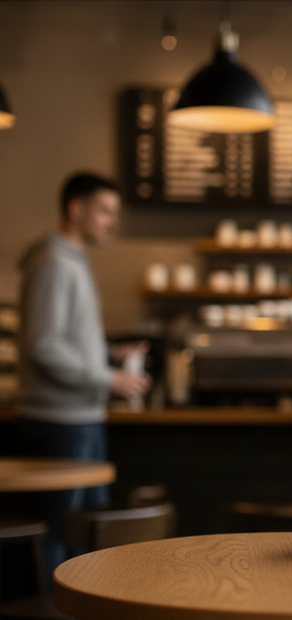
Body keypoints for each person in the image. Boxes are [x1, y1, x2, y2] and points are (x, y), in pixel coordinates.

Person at [17, 172, 151, 579]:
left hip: (80, 420)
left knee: (88, 539)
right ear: (76, 210)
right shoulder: (55, 263)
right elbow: (43, 346)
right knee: (64, 538)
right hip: (59, 423)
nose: (112, 221)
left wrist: (107, 354)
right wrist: (107, 378)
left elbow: (61, 337)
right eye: (105, 211)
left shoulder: (72, 260)